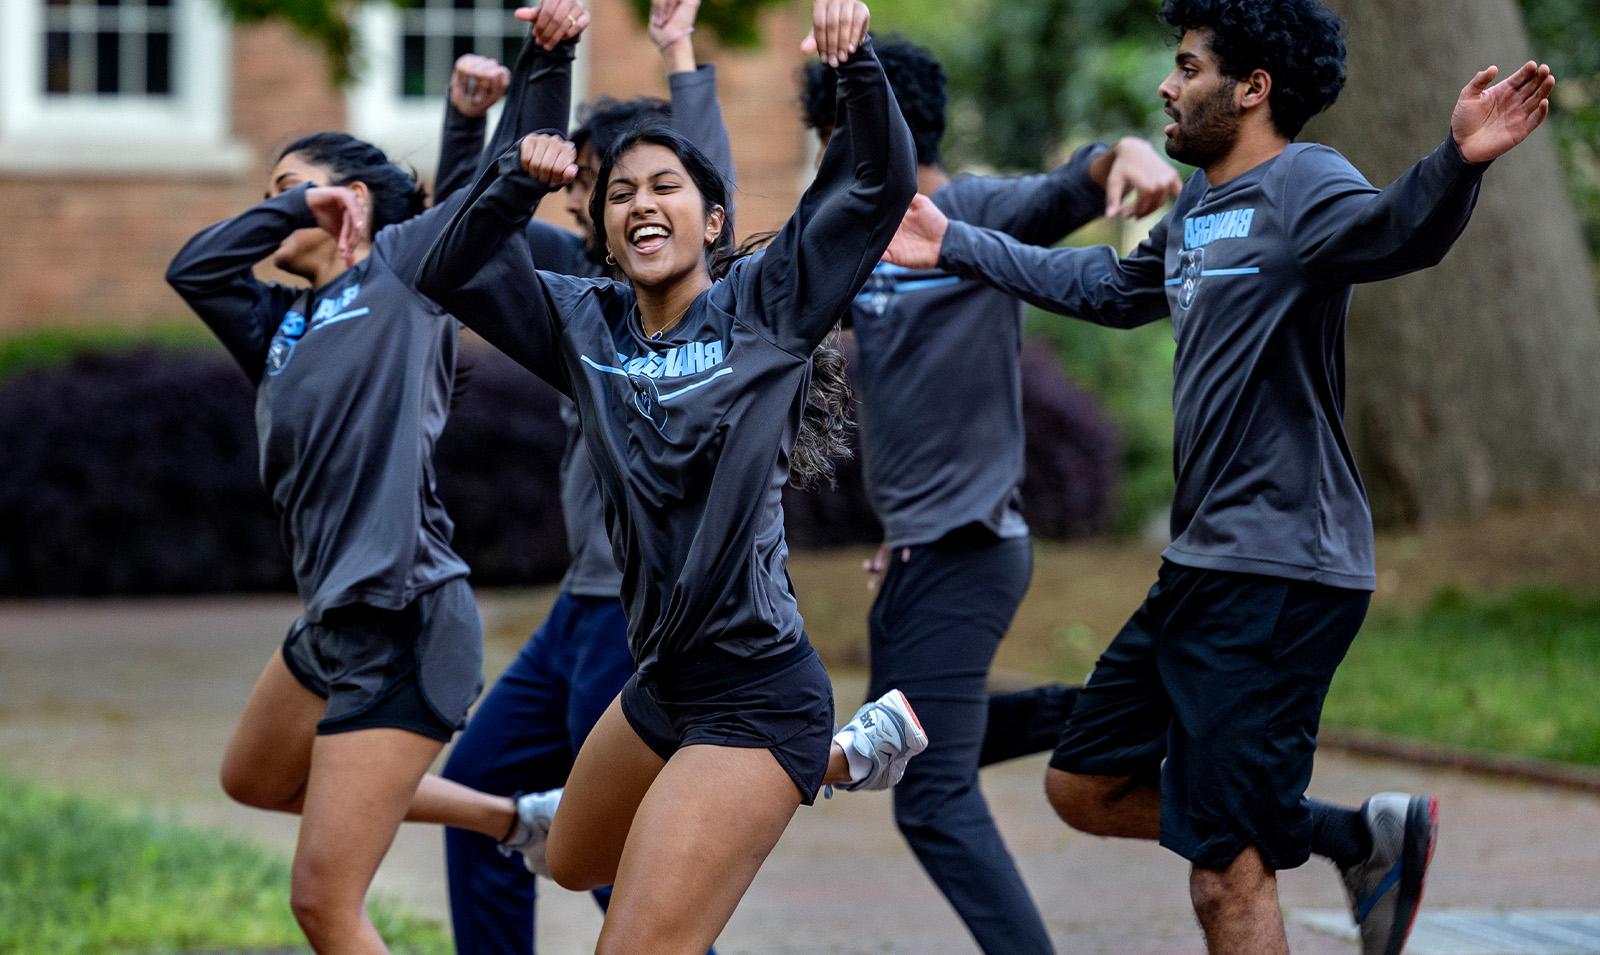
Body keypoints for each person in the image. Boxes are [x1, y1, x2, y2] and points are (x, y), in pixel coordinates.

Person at [883, 1, 1556, 953]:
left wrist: (1459, 163)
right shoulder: (1202, 205)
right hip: (1206, 563)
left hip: (1284, 567)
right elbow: (1115, 292)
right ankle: (1358, 836)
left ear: (1252, 89)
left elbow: (1397, 232)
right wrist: (957, 243)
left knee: (1224, 876)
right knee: (1083, 783)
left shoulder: (1304, 183)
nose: (1168, 84)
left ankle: (1326, 833)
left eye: (1189, 66)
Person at [415, 3, 923, 950]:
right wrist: (530, 114)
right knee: (569, 859)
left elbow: (877, 181)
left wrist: (859, 67)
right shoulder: (581, 324)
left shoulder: (766, 306)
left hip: (756, 685)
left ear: (712, 215)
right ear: (602, 234)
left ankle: (810, 749)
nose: (641, 202)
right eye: (618, 194)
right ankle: (846, 758)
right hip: (660, 681)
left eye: (666, 186)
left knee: (636, 942)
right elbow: (448, 263)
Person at [163, 6, 596, 951]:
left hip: (404, 612)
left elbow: (500, 191)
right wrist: (294, 206)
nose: (268, 209)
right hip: (331, 617)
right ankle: (513, 817)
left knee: (323, 902)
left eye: (291, 186)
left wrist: (547, 56)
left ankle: (517, 817)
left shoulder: (405, 275)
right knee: (256, 778)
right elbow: (193, 266)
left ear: (353, 195)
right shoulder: (276, 321)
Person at [799, 38, 1182, 954]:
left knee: (929, 800)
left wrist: (1126, 152)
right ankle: (1137, 712)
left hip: (967, 545)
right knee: (928, 747)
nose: (824, 158)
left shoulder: (965, 209)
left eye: (830, 134)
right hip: (915, 547)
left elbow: (1072, 186)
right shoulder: (858, 243)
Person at [433, 1, 739, 951]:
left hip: (640, 616)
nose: (620, 209)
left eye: (644, 189)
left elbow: (707, 170)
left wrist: (680, 54)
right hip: (580, 604)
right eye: (602, 197)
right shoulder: (576, 291)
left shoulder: (702, 303)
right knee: (481, 796)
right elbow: (460, 243)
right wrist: (476, 127)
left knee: (622, 864)